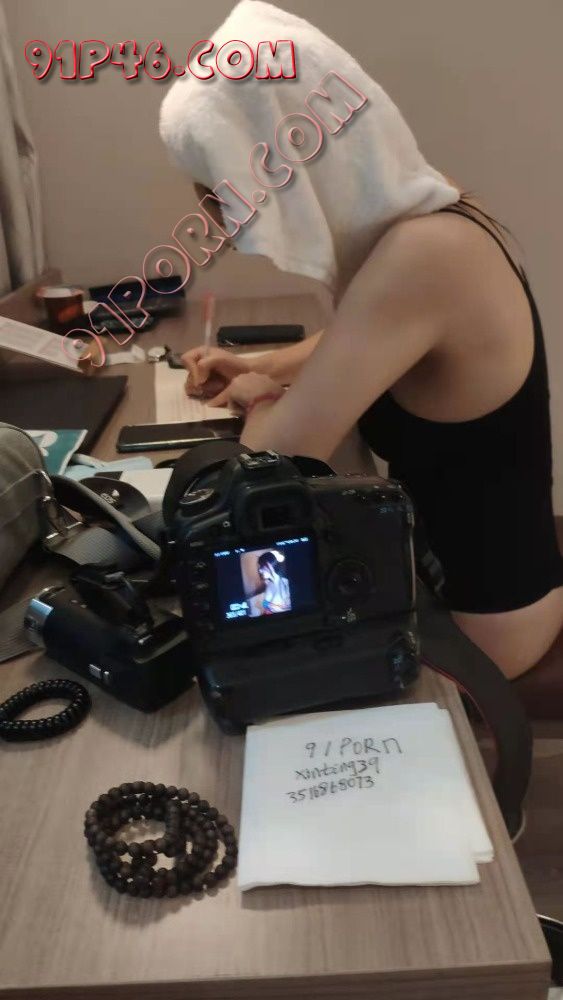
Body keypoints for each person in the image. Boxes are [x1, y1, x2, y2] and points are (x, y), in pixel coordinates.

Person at [160, 1, 563, 679]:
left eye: (218, 192)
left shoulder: (425, 257)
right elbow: (363, 338)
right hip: (441, 568)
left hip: (483, 619)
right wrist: (262, 363)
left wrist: (262, 397)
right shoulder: (434, 214)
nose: (219, 220)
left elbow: (272, 463)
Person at [249, 551, 291, 616]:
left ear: (268, 565)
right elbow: (265, 603)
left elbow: (288, 607)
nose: (260, 570)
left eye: (261, 566)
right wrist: (268, 609)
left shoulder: (286, 583)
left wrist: (272, 607)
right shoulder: (269, 584)